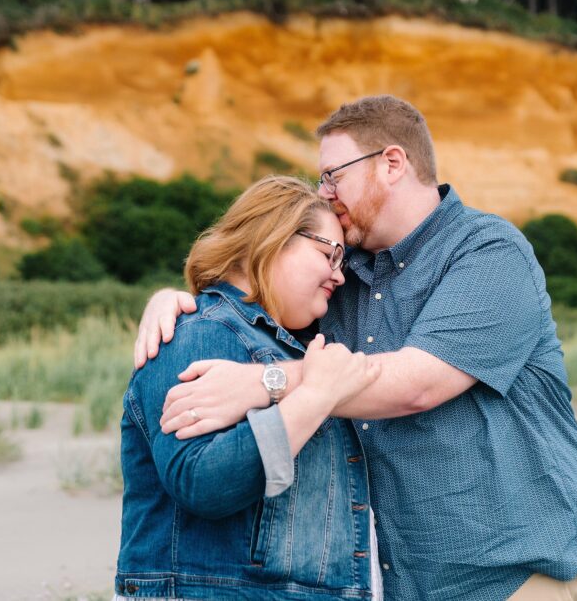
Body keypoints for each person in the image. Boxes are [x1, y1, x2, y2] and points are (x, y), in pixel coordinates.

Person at [135, 95, 577, 601]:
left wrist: (264, 383)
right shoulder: (339, 279)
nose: (325, 191)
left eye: (333, 175)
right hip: (389, 585)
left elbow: (419, 383)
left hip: (506, 579)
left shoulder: (488, 250)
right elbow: (252, 299)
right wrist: (180, 302)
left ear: (392, 163)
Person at [115, 175, 385, 601]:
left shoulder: (283, 346)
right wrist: (314, 397)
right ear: (271, 238)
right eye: (329, 254)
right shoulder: (197, 330)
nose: (339, 275)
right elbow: (200, 481)